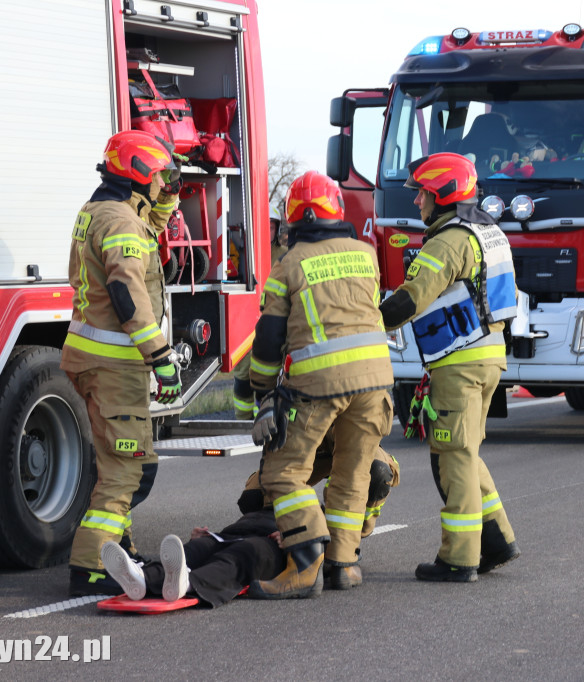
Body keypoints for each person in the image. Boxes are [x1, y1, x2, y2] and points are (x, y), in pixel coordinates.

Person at [248, 170, 394, 598]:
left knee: (284, 473)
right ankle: (343, 565)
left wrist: (262, 392)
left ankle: (305, 561)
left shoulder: (288, 265)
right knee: (353, 473)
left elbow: (269, 338)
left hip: (319, 384)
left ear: (295, 216)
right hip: (375, 383)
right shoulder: (365, 254)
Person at [380, 152, 520, 583]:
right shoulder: (487, 230)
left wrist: (367, 323)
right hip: (487, 357)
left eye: (421, 193)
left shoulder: (448, 241)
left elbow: (412, 297)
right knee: (468, 452)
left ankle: (459, 558)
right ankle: (496, 541)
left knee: (452, 458)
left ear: (441, 194)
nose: (417, 203)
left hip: (460, 363)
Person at [62, 130, 183, 596]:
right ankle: (93, 564)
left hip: (95, 358)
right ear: (138, 176)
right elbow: (127, 291)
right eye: (160, 177)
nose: (164, 185)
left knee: (122, 461)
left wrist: (167, 201)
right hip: (115, 363)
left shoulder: (107, 211)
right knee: (129, 470)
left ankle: (120, 548)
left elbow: (148, 239)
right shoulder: (120, 222)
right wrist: (160, 356)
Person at [99, 448, 399, 607]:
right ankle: (142, 578)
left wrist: (302, 539)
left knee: (245, 554)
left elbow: (336, 528)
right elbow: (259, 492)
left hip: (281, 540)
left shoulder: (344, 502)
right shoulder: (296, 466)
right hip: (252, 522)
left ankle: (188, 583)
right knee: (203, 544)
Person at [232, 204, 286, 420]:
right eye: (264, 226)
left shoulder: (285, 257)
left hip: (272, 323)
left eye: (272, 227)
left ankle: (264, 418)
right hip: (246, 323)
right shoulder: (243, 254)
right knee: (243, 375)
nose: (268, 231)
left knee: (270, 374)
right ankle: (243, 420)